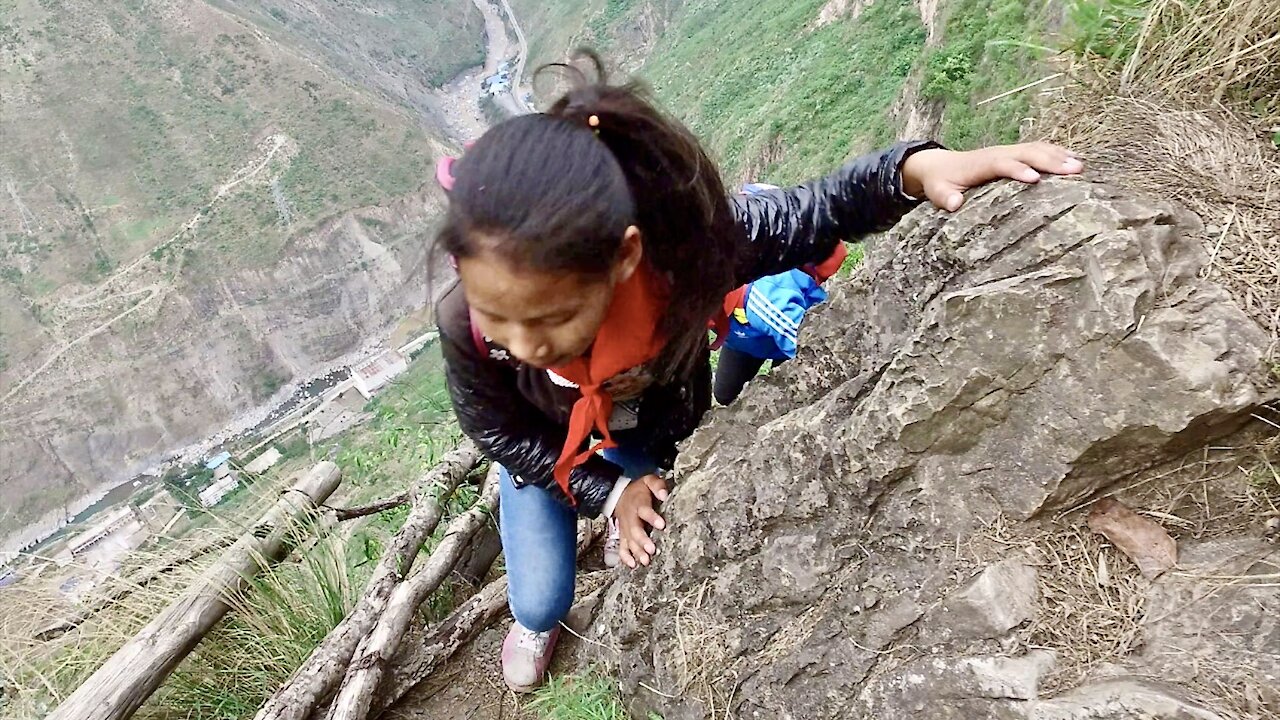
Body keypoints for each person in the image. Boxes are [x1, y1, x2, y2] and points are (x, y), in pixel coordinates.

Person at [433, 56, 1082, 692]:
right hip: (546, 447)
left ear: (624, 257)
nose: (524, 345)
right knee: (543, 600)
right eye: (499, 318)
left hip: (654, 424)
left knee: (657, 522)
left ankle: (628, 499)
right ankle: (539, 616)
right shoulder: (462, 319)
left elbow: (820, 210)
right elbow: (495, 428)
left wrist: (918, 169)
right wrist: (608, 493)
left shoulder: (687, 255)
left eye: (554, 318)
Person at [712, 182, 848, 405]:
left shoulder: (765, 300)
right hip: (741, 334)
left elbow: (814, 348)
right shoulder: (710, 297)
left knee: (789, 391)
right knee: (724, 395)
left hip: (781, 332)